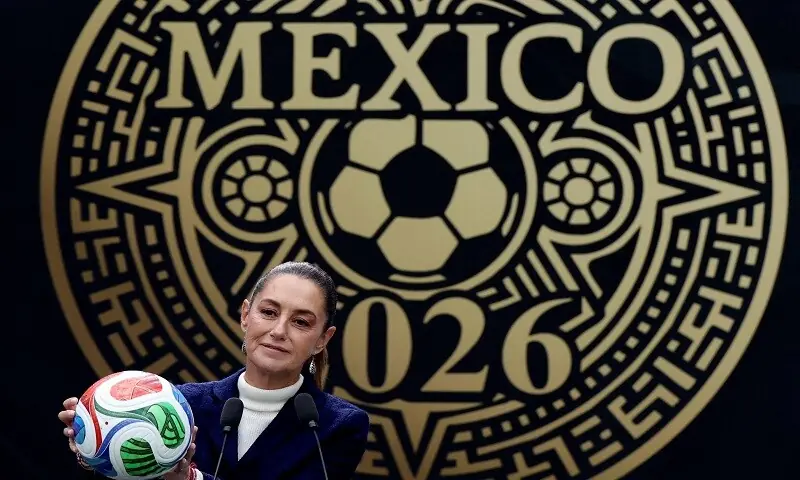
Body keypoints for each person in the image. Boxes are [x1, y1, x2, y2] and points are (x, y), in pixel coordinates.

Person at [58, 262, 371, 479]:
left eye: (301, 322)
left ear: (322, 339)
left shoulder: (337, 426)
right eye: (268, 312)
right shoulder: (180, 404)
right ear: (246, 315)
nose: (278, 330)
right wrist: (97, 450)